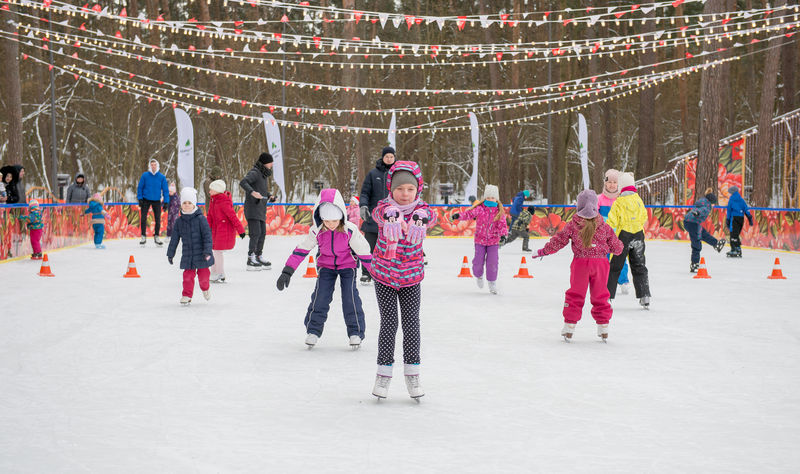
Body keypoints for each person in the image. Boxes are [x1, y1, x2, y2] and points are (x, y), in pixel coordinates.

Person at [369, 161, 436, 400]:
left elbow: (433, 215)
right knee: (388, 324)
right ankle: (383, 376)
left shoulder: (423, 212)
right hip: (385, 276)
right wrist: (390, 214)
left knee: (411, 325)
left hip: (411, 278)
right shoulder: (384, 209)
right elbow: (377, 213)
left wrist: (423, 216)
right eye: (399, 189)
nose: (405, 194)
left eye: (410, 189)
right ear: (391, 189)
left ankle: (412, 375)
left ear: (417, 189)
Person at [276, 188, 373, 349]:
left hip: (347, 266)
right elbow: (302, 250)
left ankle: (355, 332)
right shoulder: (317, 231)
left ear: (341, 216)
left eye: (334, 221)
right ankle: (313, 330)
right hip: (326, 267)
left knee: (350, 297)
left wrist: (376, 274)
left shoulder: (350, 230)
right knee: (320, 297)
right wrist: (287, 271)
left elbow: (364, 252)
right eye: (327, 221)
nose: (331, 225)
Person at [534, 190, 623, 341]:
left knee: (576, 294)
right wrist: (618, 245)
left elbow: (559, 241)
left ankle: (569, 327)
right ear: (596, 206)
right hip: (600, 264)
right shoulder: (604, 225)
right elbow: (617, 248)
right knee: (601, 294)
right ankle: (603, 327)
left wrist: (544, 251)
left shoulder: (572, 224)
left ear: (579, 206)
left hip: (580, 264)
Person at [450, 185, 508, 294]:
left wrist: (503, 235)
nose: (491, 199)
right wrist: (458, 216)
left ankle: (492, 283)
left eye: (493, 197)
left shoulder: (499, 212)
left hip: (493, 241)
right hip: (480, 241)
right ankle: (479, 276)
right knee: (477, 262)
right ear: (485, 198)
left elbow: (502, 225)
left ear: (497, 199)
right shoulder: (480, 209)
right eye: (489, 197)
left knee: (492, 263)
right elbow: (468, 214)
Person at [606, 172, 652, 309]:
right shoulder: (638, 200)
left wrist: (605, 233)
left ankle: (607, 296)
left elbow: (611, 221)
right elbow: (644, 216)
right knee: (639, 265)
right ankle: (645, 296)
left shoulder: (619, 202)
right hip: (638, 235)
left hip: (623, 237)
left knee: (615, 266)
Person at [166, 188, 214, 305]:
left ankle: (205, 288)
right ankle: (187, 295)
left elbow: (207, 236)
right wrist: (170, 253)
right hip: (188, 255)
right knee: (187, 277)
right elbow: (174, 239)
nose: (187, 205)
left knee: (203, 277)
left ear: (194, 204)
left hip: (202, 255)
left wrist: (208, 251)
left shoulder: (201, 219)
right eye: (184, 203)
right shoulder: (179, 221)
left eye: (189, 203)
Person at [358, 146, 396, 285]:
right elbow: (365, 193)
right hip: (374, 217)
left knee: (390, 248)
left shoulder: (398, 173)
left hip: (393, 219)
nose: (389, 159)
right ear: (383, 157)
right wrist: (363, 205)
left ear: (394, 157)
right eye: (387, 156)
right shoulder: (373, 174)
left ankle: (388, 273)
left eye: (391, 156)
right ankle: (366, 273)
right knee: (369, 247)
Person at [239, 152, 277, 270]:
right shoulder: (255, 172)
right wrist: (252, 192)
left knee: (262, 233)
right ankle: (250, 258)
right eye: (270, 162)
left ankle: (258, 255)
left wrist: (269, 196)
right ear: (265, 163)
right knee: (255, 233)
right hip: (252, 208)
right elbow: (243, 182)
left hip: (260, 208)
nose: (272, 164)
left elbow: (261, 190)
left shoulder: (263, 175)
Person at [597, 169, 631, 295]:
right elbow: (594, 214)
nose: (612, 184)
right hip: (603, 235)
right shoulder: (599, 199)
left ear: (618, 184)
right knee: (604, 258)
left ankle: (623, 280)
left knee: (620, 257)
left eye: (614, 182)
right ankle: (604, 280)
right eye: (609, 182)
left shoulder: (621, 199)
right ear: (605, 183)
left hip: (618, 235)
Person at [206, 180, 245, 283]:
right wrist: (205, 228)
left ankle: (220, 273)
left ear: (217, 190)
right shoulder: (213, 200)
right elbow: (210, 216)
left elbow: (232, 216)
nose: (209, 192)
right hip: (215, 231)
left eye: (211, 189)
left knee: (217, 252)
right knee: (214, 251)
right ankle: (215, 273)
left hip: (224, 231)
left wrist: (240, 230)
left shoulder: (223, 201)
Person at [683, 187, 727, 272]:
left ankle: (716, 244)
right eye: (714, 204)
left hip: (689, 222)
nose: (714, 206)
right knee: (697, 243)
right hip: (693, 223)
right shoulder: (707, 207)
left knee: (703, 234)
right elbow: (702, 210)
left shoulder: (702, 202)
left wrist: (697, 212)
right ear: (711, 202)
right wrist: (698, 213)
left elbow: (700, 209)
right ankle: (694, 264)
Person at [136, 159, 170, 246]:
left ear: (157, 166)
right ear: (149, 166)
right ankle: (143, 236)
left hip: (156, 201)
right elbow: (140, 187)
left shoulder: (162, 177)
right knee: (143, 218)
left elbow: (165, 190)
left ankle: (156, 237)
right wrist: (140, 198)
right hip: (145, 199)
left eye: (155, 165)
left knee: (158, 219)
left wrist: (166, 202)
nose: (153, 166)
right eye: (152, 165)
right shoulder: (145, 175)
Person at [725, 185, 753, 258]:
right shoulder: (741, 199)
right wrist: (749, 218)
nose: (729, 194)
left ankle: (734, 249)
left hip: (734, 218)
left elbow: (729, 210)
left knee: (733, 234)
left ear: (732, 192)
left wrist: (727, 219)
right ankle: (738, 249)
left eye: (730, 193)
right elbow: (746, 209)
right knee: (736, 234)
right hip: (741, 218)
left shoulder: (731, 199)